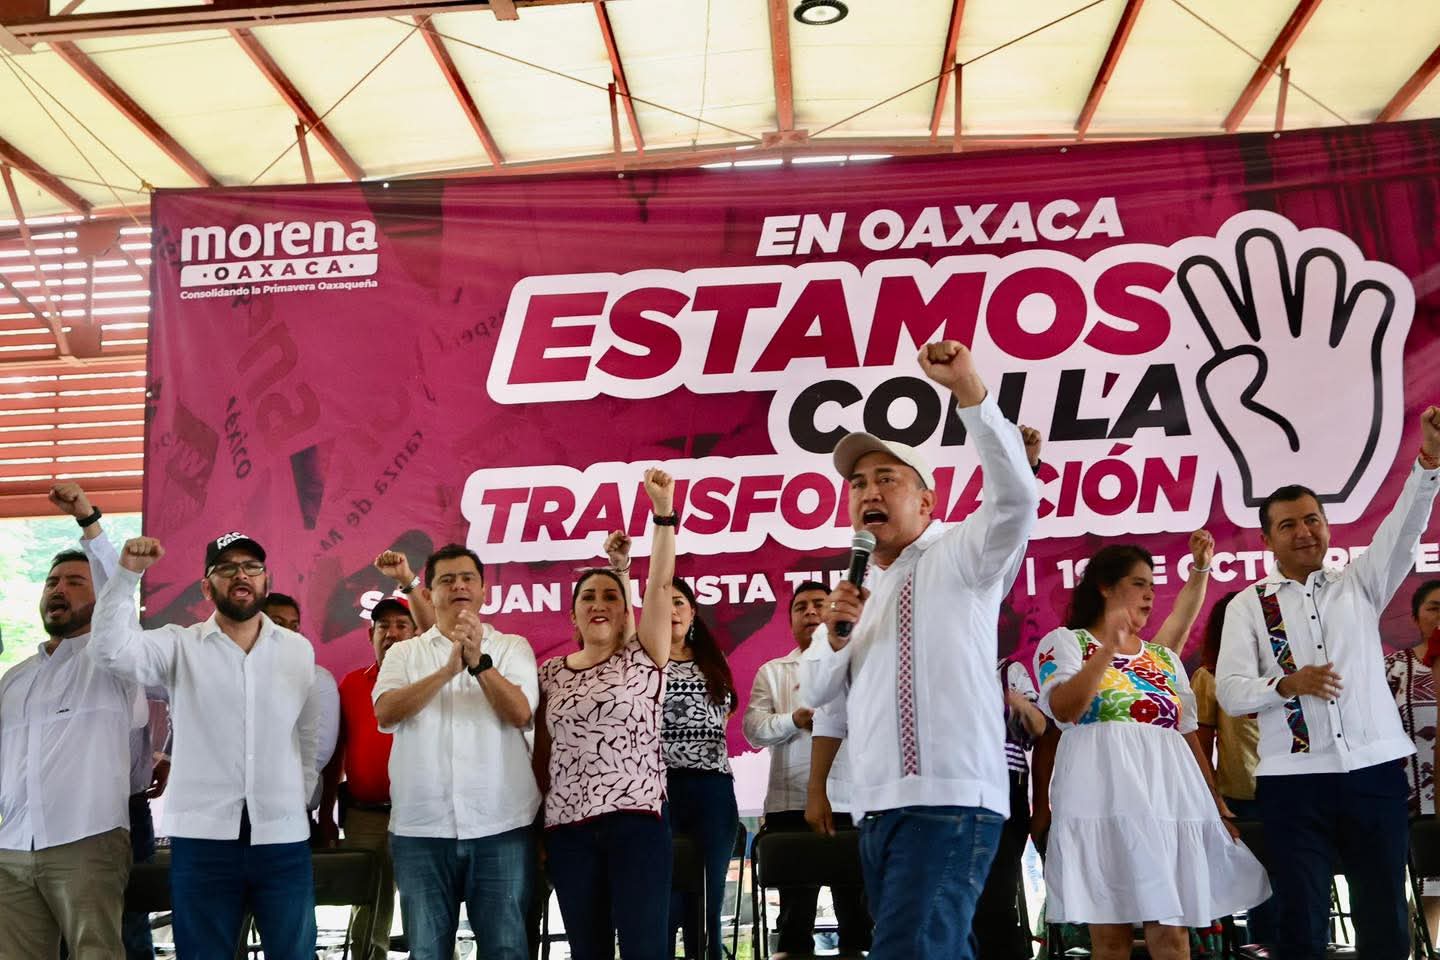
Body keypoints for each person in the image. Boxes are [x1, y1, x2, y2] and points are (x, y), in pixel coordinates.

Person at [799, 340, 1038, 960]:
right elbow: (817, 691)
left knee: (909, 949)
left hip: (950, 797)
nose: (868, 492)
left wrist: (969, 393)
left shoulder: (963, 555)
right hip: (876, 808)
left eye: (887, 479)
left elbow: (1015, 499)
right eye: (857, 484)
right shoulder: (854, 590)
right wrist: (836, 633)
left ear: (926, 502)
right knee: (935, 947)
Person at [1217, 407, 1440, 960]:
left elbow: (1404, 528)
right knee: (1302, 916)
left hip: (1375, 772)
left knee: (1384, 912)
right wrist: (1285, 685)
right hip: (1293, 782)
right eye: (1288, 524)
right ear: (1267, 539)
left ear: (1327, 526)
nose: (1304, 531)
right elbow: (1231, 692)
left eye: (1312, 519)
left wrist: (1429, 463)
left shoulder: (1360, 584)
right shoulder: (1249, 605)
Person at [88, 532, 322, 960]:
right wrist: (126, 576)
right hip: (203, 839)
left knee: (295, 953)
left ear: (266, 580)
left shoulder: (297, 650)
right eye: (226, 568)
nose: (241, 575)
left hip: (283, 837)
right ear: (206, 587)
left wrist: (298, 797)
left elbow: (306, 734)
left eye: (251, 566)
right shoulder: (179, 644)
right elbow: (109, 651)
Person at [1035, 534, 1268, 960]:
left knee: (1173, 936)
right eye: (1139, 583)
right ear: (1105, 587)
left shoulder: (1163, 657)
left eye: (1153, 586)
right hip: (1101, 802)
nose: (1149, 594)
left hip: (1168, 802)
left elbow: (1187, 733)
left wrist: (1216, 805)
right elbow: (1064, 709)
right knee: (1110, 941)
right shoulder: (1067, 643)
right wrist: (1108, 648)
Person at [534, 469, 676, 960]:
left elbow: (661, 585)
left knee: (644, 950)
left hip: (636, 824)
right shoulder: (549, 672)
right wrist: (537, 826)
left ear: (625, 611)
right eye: (588, 597)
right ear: (572, 615)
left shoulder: (645, 655)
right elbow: (541, 755)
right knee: (586, 952)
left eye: (610, 596)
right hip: (567, 830)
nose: (599, 603)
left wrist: (662, 513)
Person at [373, 544, 540, 960]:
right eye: (447, 580)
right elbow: (386, 712)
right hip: (420, 830)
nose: (459, 586)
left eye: (468, 578)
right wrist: (447, 671)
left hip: (501, 826)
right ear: (429, 593)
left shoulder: (512, 647)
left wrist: (478, 663)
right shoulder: (404, 652)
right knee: (426, 951)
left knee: (506, 948)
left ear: (484, 590)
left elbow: (521, 714)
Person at [0, 482, 140, 959]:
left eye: (76, 582)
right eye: (51, 582)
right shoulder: (14, 678)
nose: (59, 589)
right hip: (12, 845)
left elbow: (120, 591)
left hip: (86, 838)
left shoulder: (113, 661)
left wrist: (87, 519)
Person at [745, 580, 870, 959]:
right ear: (791, 622)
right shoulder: (773, 672)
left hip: (852, 802)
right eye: (801, 607)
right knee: (794, 922)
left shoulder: (861, 665)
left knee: (858, 921)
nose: (811, 612)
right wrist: (794, 719)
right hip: (790, 805)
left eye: (819, 604)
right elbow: (753, 730)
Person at [319, 590, 418, 960]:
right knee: (369, 911)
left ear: (417, 632)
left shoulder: (428, 682)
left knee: (427, 906)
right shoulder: (351, 684)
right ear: (370, 634)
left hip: (420, 815)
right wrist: (326, 814)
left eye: (401, 625)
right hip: (365, 815)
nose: (391, 633)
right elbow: (335, 755)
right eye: (383, 626)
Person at [659, 572, 738, 960]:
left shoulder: (713, 659)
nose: (671, 610)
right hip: (660, 790)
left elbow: (723, 715)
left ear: (692, 611)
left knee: (706, 902)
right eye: (663, 603)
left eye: (679, 602)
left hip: (713, 791)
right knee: (664, 901)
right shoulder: (643, 660)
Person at [1191, 592, 1274, 946]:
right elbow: (1200, 746)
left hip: (1297, 789)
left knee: (1303, 883)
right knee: (1262, 889)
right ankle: (1264, 950)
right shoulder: (1209, 676)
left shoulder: (1290, 670)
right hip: (1241, 798)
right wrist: (1212, 802)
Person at [1388, 579, 1440, 942]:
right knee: (1428, 887)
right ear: (1415, 618)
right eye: (1434, 608)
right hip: (1410, 800)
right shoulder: (1394, 668)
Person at [263, 593, 340, 821]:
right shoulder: (236, 674)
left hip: (288, 809)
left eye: (294, 626)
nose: (288, 632)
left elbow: (317, 752)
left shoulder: (316, 678)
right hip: (230, 810)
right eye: (278, 623)